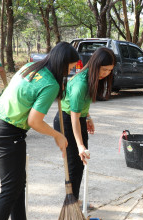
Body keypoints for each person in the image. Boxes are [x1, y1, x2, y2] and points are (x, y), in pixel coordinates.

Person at [0, 42, 79, 220]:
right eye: (70, 68)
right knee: (9, 189)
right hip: (9, 133)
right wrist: (58, 135)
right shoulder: (50, 84)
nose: (71, 72)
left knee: (19, 184)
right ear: (61, 64)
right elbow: (34, 121)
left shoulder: (30, 67)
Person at [53, 47, 116, 207]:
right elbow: (73, 117)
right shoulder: (80, 83)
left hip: (77, 118)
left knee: (79, 164)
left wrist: (87, 117)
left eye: (110, 70)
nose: (106, 73)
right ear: (95, 65)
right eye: (104, 69)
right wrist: (80, 145)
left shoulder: (90, 78)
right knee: (74, 164)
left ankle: (74, 200)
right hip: (66, 121)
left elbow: (81, 108)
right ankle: (70, 204)